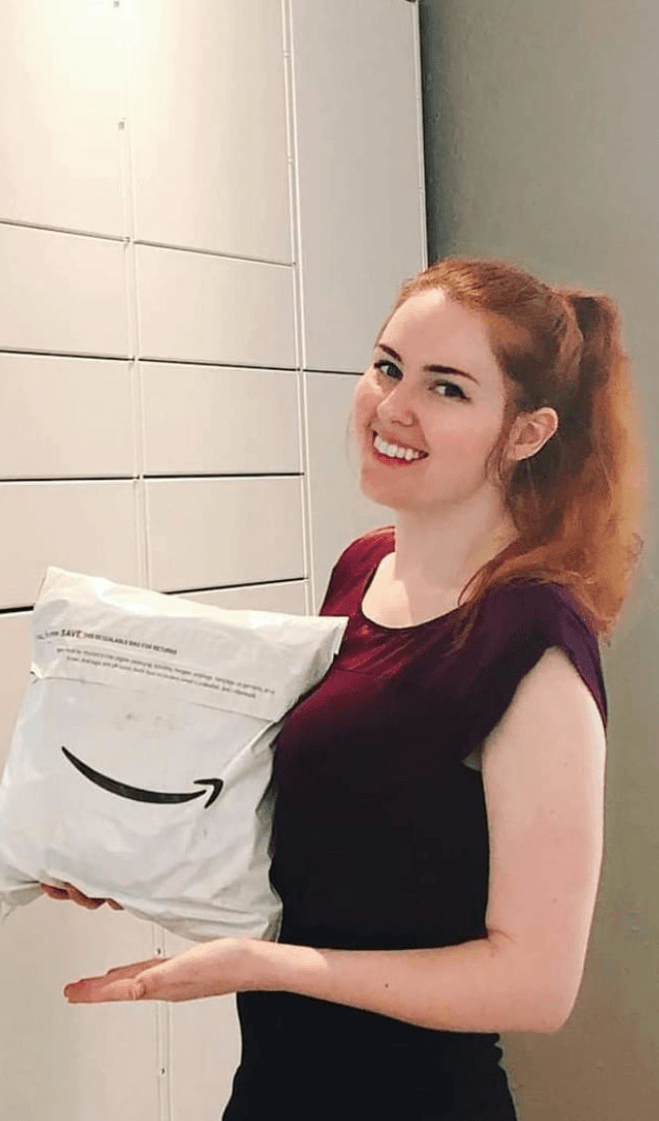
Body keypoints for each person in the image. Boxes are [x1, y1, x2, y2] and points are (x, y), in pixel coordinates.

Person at [42, 257, 647, 1119]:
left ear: (526, 432)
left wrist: (264, 964)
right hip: (280, 1087)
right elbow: (340, 834)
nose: (393, 407)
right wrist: (131, 851)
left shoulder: (533, 640)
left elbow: (534, 985)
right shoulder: (364, 569)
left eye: (447, 389)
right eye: (388, 366)